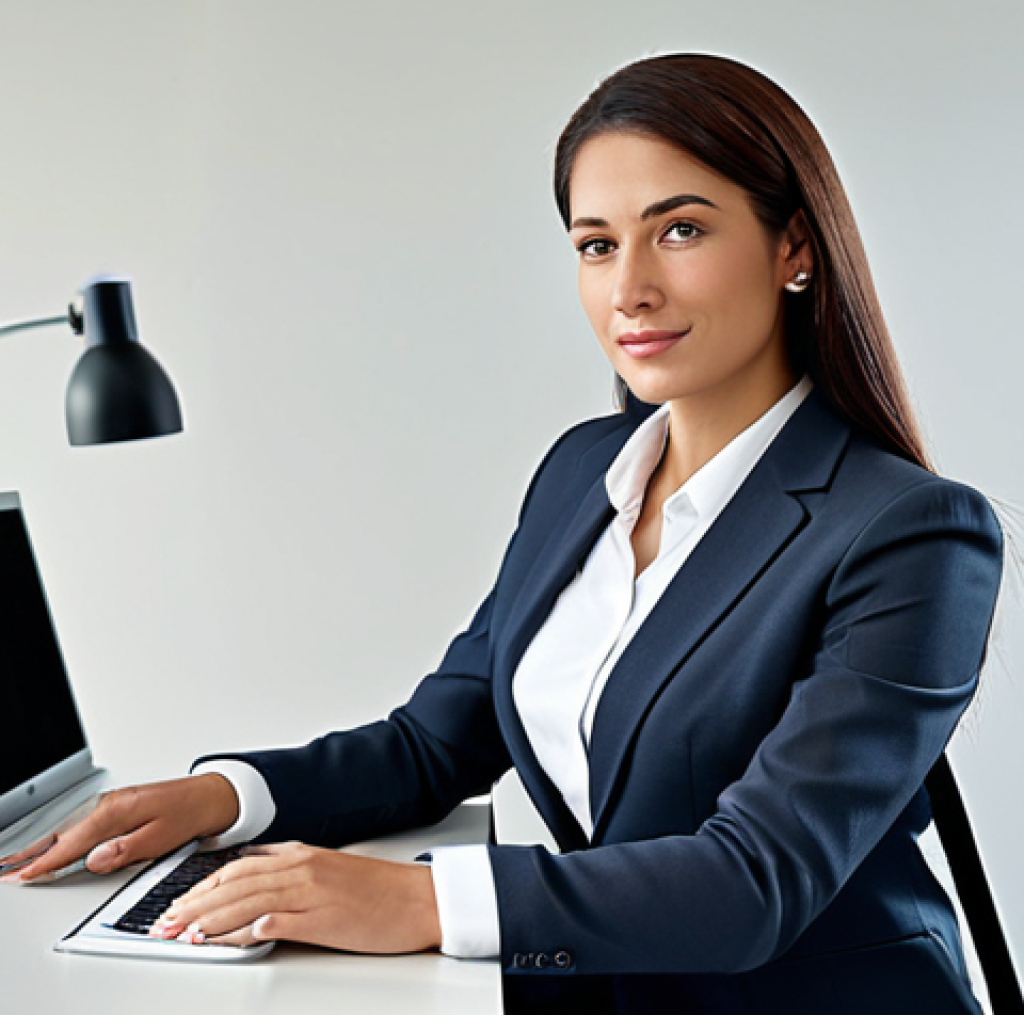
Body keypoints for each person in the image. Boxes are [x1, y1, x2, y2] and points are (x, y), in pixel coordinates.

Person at [1, 54, 1004, 1013]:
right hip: (598, 987)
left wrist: (421, 899)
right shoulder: (583, 471)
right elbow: (436, 741)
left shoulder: (910, 534)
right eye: (596, 243)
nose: (629, 289)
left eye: (681, 230)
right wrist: (220, 798)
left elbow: (754, 880)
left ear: (793, 248)